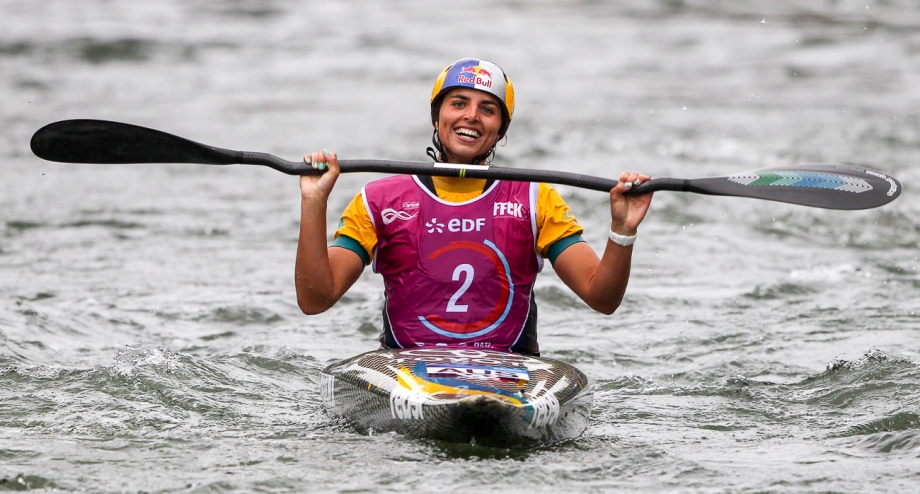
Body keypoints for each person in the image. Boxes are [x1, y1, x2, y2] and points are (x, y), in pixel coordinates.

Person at [295, 58, 652, 356]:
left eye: (488, 109)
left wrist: (623, 230)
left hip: (510, 374)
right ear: (437, 118)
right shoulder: (379, 199)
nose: (471, 116)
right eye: (458, 103)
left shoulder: (534, 198)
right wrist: (314, 201)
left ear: (499, 130)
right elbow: (315, 300)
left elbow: (601, 299)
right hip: (408, 369)